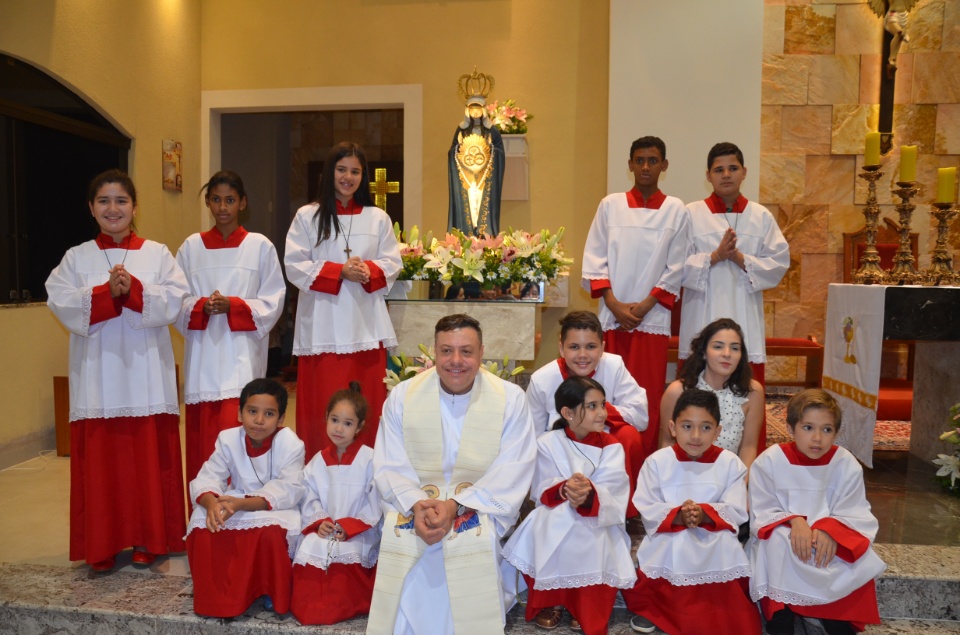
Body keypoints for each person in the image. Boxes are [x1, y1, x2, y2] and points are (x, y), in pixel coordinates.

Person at [45, 169, 189, 572]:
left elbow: (176, 299)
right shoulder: (77, 257)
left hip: (145, 371)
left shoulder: (158, 253)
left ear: (135, 206)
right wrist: (105, 293)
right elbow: (60, 300)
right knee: (104, 461)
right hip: (98, 373)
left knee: (144, 459)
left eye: (121, 201)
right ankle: (103, 543)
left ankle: (149, 538)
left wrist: (135, 290)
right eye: (104, 201)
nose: (113, 209)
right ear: (91, 208)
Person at [367, 314, 537, 635]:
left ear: (482, 352)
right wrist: (417, 505)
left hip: (478, 507)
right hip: (415, 508)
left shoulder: (510, 399)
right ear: (434, 352)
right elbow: (389, 463)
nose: (456, 361)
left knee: (474, 539)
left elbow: (514, 466)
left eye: (466, 351)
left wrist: (456, 505)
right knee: (405, 536)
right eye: (446, 351)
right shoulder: (403, 396)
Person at [284, 141, 402, 460]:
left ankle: (367, 475)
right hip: (322, 328)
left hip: (365, 326)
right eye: (341, 169)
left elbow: (393, 262)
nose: (348, 177)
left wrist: (367, 269)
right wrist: (339, 272)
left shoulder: (377, 218)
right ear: (329, 172)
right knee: (323, 403)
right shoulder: (307, 216)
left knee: (366, 403)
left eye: (355, 171)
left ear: (363, 176)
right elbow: (294, 264)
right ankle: (318, 475)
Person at [581, 136, 690, 462]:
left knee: (646, 394)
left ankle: (642, 466)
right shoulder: (610, 205)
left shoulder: (675, 210)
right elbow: (594, 257)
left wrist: (644, 306)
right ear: (629, 164)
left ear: (664, 166)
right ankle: (602, 461)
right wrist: (614, 304)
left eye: (653, 160)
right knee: (604, 392)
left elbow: (676, 265)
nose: (645, 167)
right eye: (639, 160)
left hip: (651, 320)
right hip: (612, 318)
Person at [175, 170, 286, 483]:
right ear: (208, 203)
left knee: (242, 438)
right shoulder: (190, 248)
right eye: (216, 199)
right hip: (203, 360)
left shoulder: (259, 246)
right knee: (204, 447)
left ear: (243, 203)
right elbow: (176, 300)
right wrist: (202, 307)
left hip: (241, 359)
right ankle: (203, 515)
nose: (222, 207)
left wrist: (233, 305)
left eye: (230, 200)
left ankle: (243, 513)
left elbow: (273, 300)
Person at [504, 376, 636, 634]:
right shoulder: (547, 442)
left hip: (597, 515)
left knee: (590, 538)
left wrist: (588, 494)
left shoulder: (612, 446)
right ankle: (552, 600)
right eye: (592, 406)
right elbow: (540, 486)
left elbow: (615, 488)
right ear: (568, 413)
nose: (602, 413)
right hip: (557, 508)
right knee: (551, 526)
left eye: (603, 404)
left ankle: (582, 606)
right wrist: (565, 488)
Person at [679, 142, 790, 449]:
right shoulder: (691, 214)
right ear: (708, 175)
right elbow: (673, 266)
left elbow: (779, 263)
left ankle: (746, 459)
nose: (726, 174)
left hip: (745, 317)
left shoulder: (760, 216)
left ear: (744, 173)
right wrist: (714, 256)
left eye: (732, 168)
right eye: (719, 169)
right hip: (702, 312)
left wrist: (739, 258)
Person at [747, 389, 885, 635]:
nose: (817, 439)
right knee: (777, 541)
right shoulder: (770, 460)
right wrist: (795, 522)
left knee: (850, 551)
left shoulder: (844, 463)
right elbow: (762, 509)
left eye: (827, 429)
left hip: (827, 544)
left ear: (836, 432)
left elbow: (855, 513)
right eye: (808, 428)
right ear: (790, 429)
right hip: (787, 539)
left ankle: (832, 616)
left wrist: (830, 531)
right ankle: (782, 616)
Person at [624, 389, 760, 635]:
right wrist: (679, 515)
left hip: (713, 535)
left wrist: (704, 513)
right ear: (673, 427)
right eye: (687, 426)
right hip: (671, 533)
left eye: (706, 428)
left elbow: (738, 509)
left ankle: (714, 608)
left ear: (718, 432)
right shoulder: (657, 462)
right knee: (672, 544)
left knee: (719, 547)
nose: (696, 436)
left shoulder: (729, 464)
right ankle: (657, 608)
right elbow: (647, 504)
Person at [186, 378, 305, 617]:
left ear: (281, 419)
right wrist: (211, 504)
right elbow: (209, 477)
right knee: (203, 522)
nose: (259, 420)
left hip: (275, 506)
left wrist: (241, 505)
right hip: (234, 499)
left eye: (269, 414)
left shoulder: (291, 443)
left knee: (270, 533)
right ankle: (217, 595)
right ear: (240, 414)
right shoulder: (228, 439)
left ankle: (269, 589)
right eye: (252, 411)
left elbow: (289, 489)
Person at [526, 311, 648, 517]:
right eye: (574, 347)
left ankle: (623, 512)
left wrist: (593, 411)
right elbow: (532, 434)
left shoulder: (614, 366)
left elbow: (640, 415)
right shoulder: (542, 379)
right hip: (562, 448)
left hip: (605, 442)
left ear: (602, 348)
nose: (582, 355)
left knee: (630, 436)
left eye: (591, 347)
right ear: (561, 348)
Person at [291, 382, 382, 625]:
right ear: (326, 419)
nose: (339, 428)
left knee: (348, 551)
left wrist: (349, 527)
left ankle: (346, 605)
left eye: (348, 423)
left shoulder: (370, 459)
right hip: (326, 528)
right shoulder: (317, 462)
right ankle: (311, 608)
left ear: (359, 427)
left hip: (357, 530)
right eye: (334, 420)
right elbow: (309, 497)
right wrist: (320, 522)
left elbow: (376, 500)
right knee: (312, 546)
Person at [659, 318, 764, 470]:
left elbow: (748, 447)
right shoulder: (677, 391)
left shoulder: (752, 392)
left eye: (735, 348)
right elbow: (667, 442)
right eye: (718, 347)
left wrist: (739, 485)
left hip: (728, 477)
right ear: (703, 352)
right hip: (682, 474)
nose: (727, 354)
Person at [447, 69, 505, 237]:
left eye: (478, 108)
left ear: (483, 109)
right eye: (472, 108)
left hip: (485, 179)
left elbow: (500, 152)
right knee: (468, 206)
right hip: (466, 179)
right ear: (467, 110)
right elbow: (452, 151)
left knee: (482, 205)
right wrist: (457, 150)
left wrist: (492, 150)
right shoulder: (462, 129)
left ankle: (484, 234)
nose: (475, 112)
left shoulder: (491, 131)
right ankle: (465, 233)